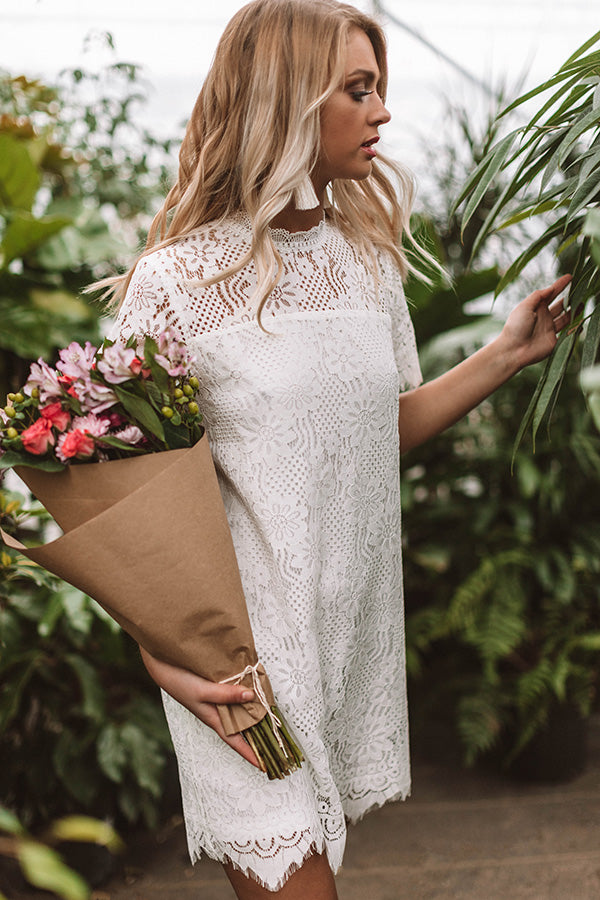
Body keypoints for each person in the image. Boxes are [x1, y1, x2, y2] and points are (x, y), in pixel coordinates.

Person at [109, 1, 571, 896]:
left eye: (380, 89)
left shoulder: (364, 260)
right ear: (289, 101)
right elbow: (119, 502)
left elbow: (373, 435)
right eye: (358, 90)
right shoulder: (177, 282)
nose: (382, 112)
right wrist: (159, 653)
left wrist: (508, 352)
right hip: (238, 672)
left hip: (342, 642)